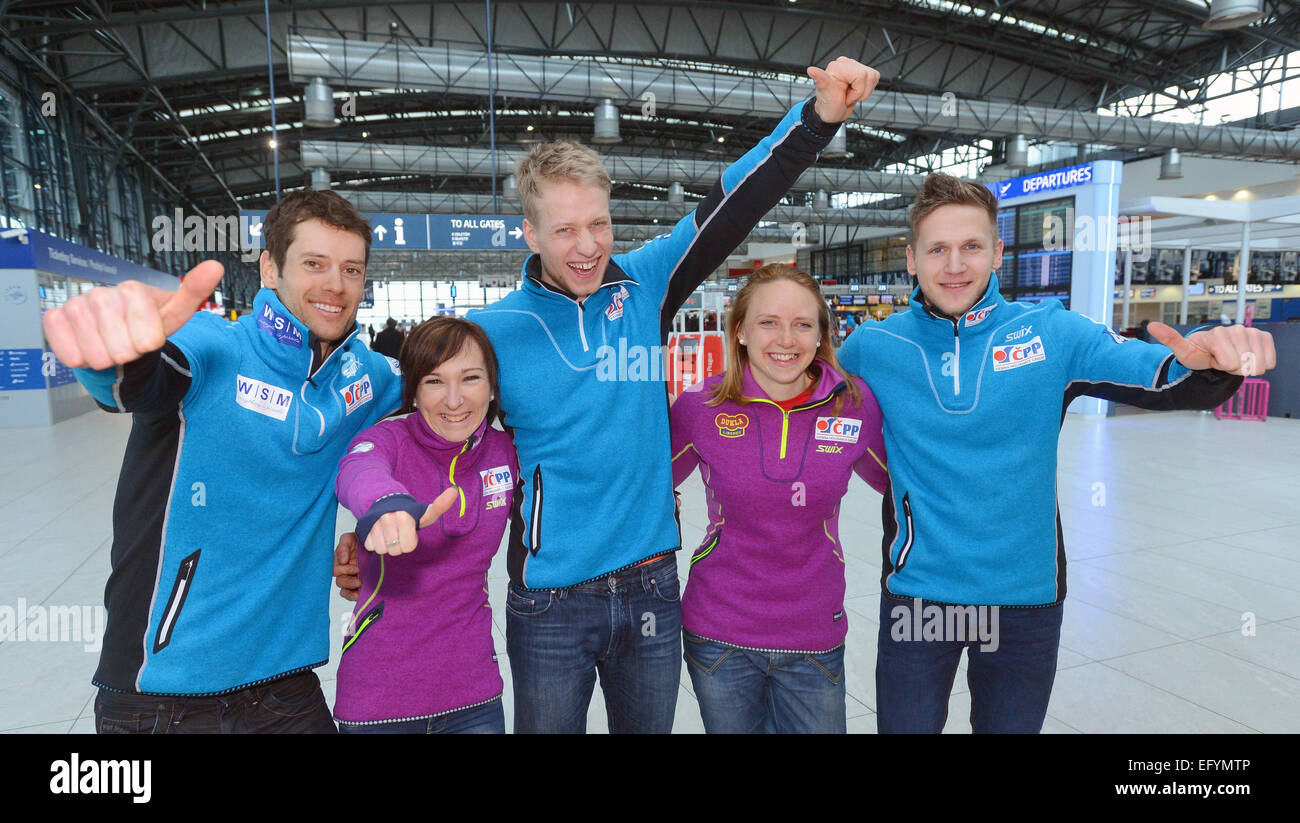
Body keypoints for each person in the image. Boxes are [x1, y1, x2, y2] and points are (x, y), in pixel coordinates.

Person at [337, 57, 882, 733]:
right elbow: (406, 423)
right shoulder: (491, 332)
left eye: (598, 224)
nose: (588, 245)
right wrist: (373, 513)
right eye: (565, 230)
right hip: (549, 602)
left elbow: (735, 200)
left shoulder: (645, 284)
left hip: (652, 582)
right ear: (531, 235)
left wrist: (817, 118)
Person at [836, 173, 1277, 734]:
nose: (954, 265)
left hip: (1026, 598)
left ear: (997, 253)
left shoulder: (1052, 332)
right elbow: (805, 405)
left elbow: (1164, 376)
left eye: (971, 246)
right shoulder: (873, 347)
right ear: (912, 259)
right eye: (937, 249)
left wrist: (1214, 362)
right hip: (920, 596)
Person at [44, 189, 403, 733]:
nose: (336, 284)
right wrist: (114, 352)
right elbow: (140, 376)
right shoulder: (214, 345)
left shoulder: (367, 378)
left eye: (351, 269)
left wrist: (376, 532)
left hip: (287, 688)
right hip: (159, 694)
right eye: (314, 264)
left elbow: (447, 406)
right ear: (269, 267)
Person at [670, 264, 887, 733]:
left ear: (820, 334)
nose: (785, 339)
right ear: (741, 331)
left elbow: (906, 485)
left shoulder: (854, 405)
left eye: (802, 324)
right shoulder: (700, 408)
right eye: (768, 322)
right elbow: (642, 485)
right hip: (718, 633)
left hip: (815, 631)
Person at [333, 317, 516, 734]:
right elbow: (358, 468)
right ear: (413, 390)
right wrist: (386, 505)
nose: (454, 400)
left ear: (492, 387)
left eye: (470, 378)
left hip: (475, 696)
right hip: (377, 701)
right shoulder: (389, 439)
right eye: (434, 381)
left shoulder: (506, 452)